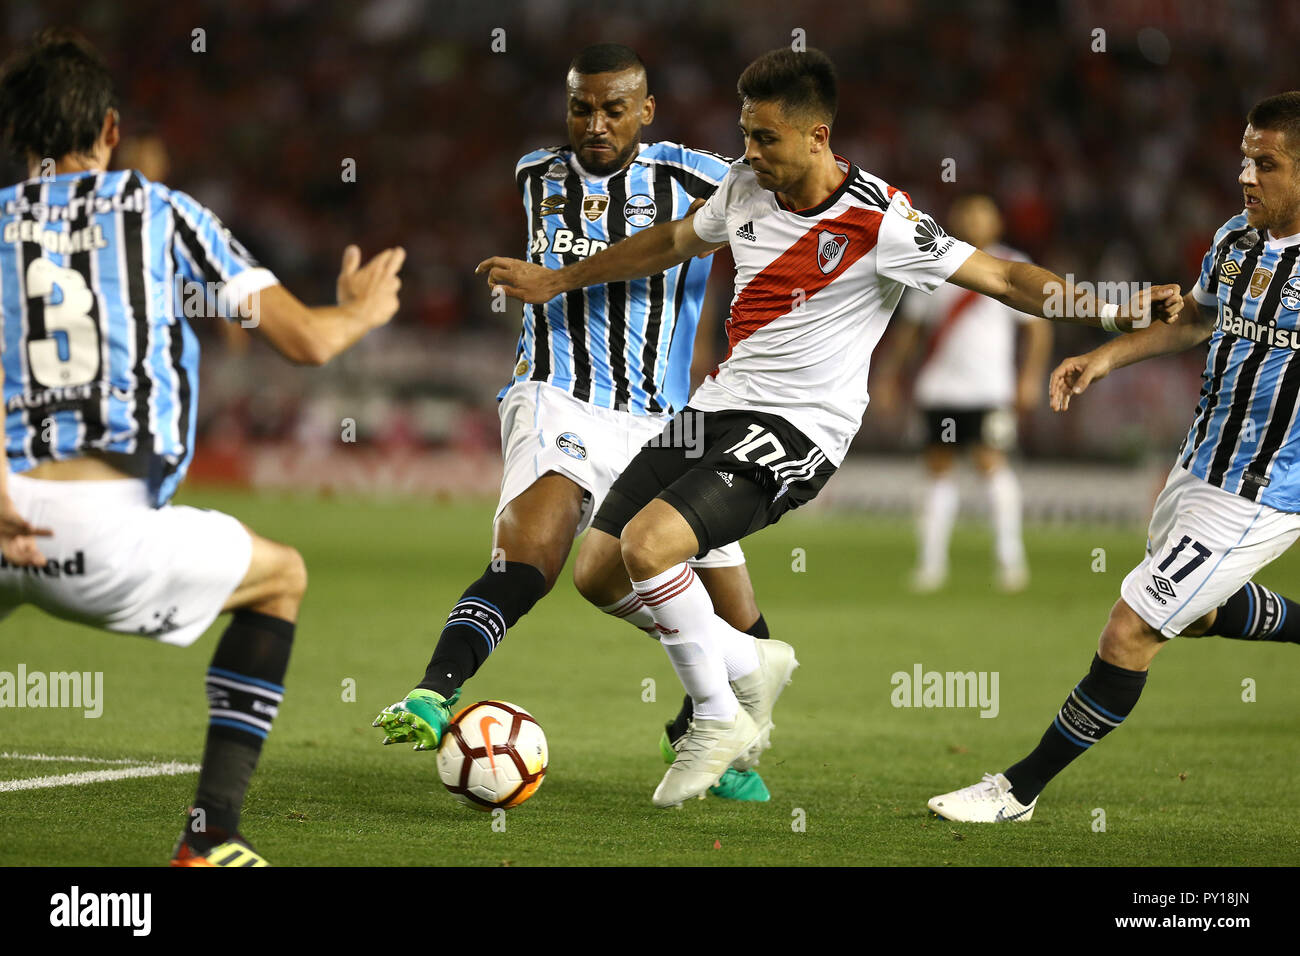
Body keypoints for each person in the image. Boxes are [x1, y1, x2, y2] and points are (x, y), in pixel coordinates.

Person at [477, 47, 1180, 807]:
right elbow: (674, 242)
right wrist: (560, 278)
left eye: (765, 138)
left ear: (817, 138)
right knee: (598, 571)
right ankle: (749, 663)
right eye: (745, 134)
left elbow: (1007, 276)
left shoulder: (882, 220)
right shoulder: (744, 189)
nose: (748, 153)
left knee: (652, 547)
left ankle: (717, 716)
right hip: (716, 409)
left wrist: (1111, 308)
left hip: (799, 429)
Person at [0, 30, 405, 864]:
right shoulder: (162, 214)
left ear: (17, 138)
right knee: (280, 577)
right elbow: (306, 343)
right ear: (111, 132)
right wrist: (360, 310)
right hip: (99, 530)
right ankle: (211, 834)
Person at [372, 43, 772, 802]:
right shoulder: (537, 175)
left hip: (667, 420)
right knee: (533, 555)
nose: (594, 123)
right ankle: (433, 690)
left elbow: (775, 184)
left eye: (614, 109)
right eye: (581, 107)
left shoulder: (703, 177)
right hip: (558, 394)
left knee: (748, 629)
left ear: (646, 112)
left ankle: (694, 727)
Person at [928, 91, 1300, 823]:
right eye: (1243, 161)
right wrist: (1103, 357)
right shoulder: (1235, 241)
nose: (1247, 178)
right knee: (1193, 613)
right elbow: (1192, 320)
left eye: (1267, 163)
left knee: (1131, 628)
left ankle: (1017, 790)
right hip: (1199, 467)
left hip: (1267, 490)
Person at [873, 195, 1051, 592]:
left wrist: (1030, 378)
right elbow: (911, 329)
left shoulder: (1012, 264)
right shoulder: (934, 258)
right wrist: (889, 375)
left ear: (997, 223)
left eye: (981, 214)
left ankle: (1011, 560)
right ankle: (931, 565)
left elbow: (1038, 327)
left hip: (989, 390)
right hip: (939, 389)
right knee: (938, 470)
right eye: (965, 212)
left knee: (991, 464)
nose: (972, 220)